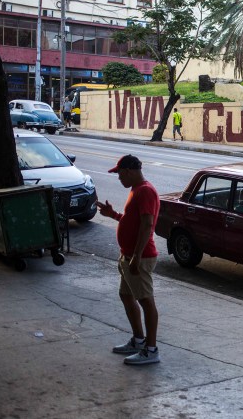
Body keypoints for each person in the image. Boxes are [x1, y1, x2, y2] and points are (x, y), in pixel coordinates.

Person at [95, 155, 162, 366]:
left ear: (130, 171)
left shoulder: (145, 191)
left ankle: (151, 350)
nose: (119, 178)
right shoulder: (136, 190)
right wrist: (113, 215)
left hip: (139, 258)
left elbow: (146, 225)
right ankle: (138, 340)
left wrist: (137, 256)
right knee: (126, 295)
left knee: (146, 301)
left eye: (120, 174)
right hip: (129, 255)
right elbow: (132, 221)